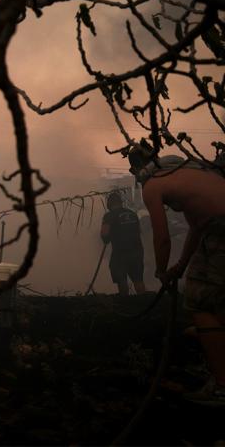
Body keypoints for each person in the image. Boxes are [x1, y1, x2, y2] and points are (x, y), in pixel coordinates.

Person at [129, 145, 225, 405]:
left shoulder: (152, 185)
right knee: (216, 293)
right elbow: (195, 228)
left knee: (199, 300)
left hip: (220, 230)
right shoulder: (193, 170)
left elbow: (162, 237)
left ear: (137, 170)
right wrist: (180, 267)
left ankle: (222, 388)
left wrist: (161, 271)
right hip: (214, 229)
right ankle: (213, 333)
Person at [100, 192, 145, 296]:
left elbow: (105, 234)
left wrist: (106, 239)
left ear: (109, 204)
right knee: (138, 280)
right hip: (137, 252)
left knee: (121, 279)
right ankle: (143, 301)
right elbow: (139, 231)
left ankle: (125, 302)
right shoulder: (132, 214)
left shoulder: (109, 215)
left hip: (120, 253)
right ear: (120, 203)